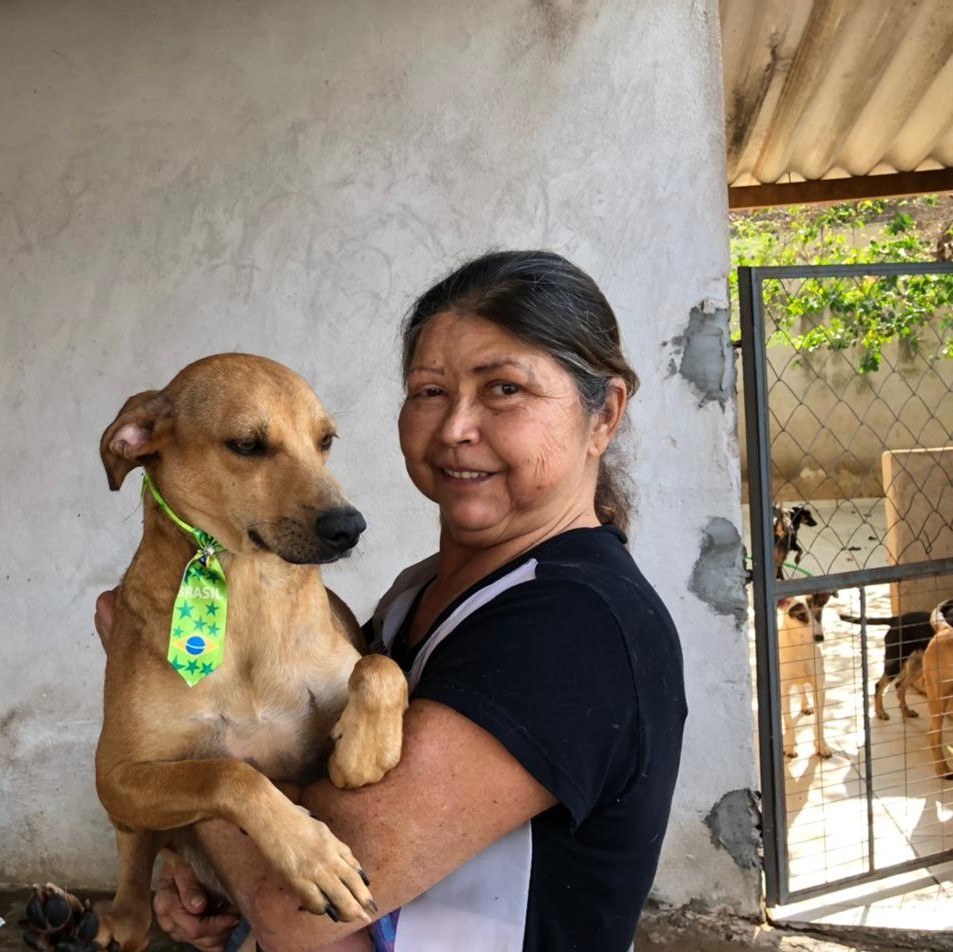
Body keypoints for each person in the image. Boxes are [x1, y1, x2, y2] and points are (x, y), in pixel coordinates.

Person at [94, 249, 687, 952]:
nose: (455, 427)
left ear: (603, 416)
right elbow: (304, 777)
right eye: (429, 391)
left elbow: (294, 907)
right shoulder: (417, 593)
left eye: (504, 390)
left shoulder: (578, 625)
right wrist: (197, 868)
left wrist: (204, 809)